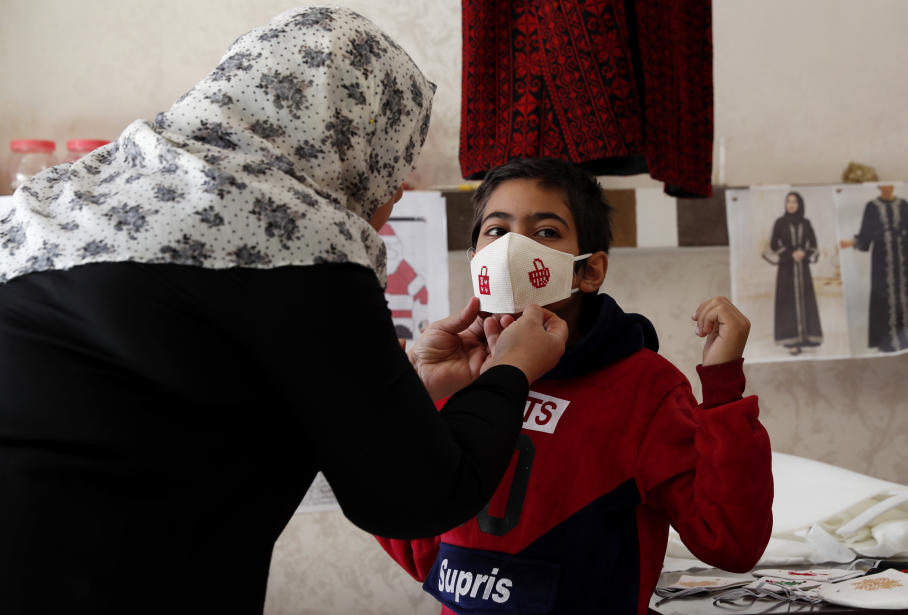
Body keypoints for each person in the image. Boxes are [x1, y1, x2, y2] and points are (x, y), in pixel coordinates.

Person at [0, 8, 568, 612]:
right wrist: (511, 372)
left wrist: (409, 394)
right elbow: (416, 497)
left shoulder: (51, 203)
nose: (394, 194)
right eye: (393, 167)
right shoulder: (295, 239)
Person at [375, 158, 774, 614]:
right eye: (496, 231)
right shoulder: (451, 375)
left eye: (545, 232)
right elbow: (419, 547)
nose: (513, 248)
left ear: (590, 271)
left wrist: (722, 388)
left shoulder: (646, 387)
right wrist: (411, 399)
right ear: (475, 260)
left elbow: (732, 543)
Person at [840, 185, 908, 352]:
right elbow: (866, 233)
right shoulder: (871, 206)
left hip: (902, 256)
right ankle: (887, 341)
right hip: (881, 256)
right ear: (879, 186)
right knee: (883, 293)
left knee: (906, 292)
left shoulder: (904, 204)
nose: (887, 186)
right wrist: (850, 243)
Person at [763, 191, 823, 355]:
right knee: (788, 302)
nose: (791, 205)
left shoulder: (806, 222)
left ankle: (807, 338)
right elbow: (774, 245)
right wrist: (790, 254)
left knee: (805, 300)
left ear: (799, 204)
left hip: (803, 268)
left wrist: (804, 253)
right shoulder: (780, 222)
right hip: (786, 269)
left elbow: (814, 244)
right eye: (788, 201)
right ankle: (792, 342)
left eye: (794, 202)